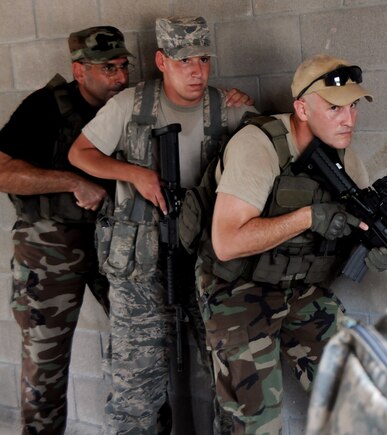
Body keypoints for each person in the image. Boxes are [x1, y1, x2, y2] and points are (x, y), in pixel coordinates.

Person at [67, 16, 255, 434]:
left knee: (234, 381)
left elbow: (268, 150)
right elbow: (80, 155)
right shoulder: (130, 104)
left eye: (203, 59)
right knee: (135, 389)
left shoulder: (227, 106)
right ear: (162, 61)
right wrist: (133, 174)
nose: (196, 70)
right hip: (140, 268)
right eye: (184, 59)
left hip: (208, 260)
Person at [194, 54, 387, 434]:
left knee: (359, 401)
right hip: (239, 290)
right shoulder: (259, 146)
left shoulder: (348, 161)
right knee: (257, 424)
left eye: (353, 106)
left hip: (300, 288)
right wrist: (308, 216)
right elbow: (226, 242)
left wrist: (372, 252)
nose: (348, 119)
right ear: (302, 108)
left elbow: (353, 236)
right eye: (334, 107)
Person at [0, 26, 132, 435]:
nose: (120, 76)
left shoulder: (130, 103)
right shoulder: (44, 107)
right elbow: (4, 173)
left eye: (124, 65)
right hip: (50, 247)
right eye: (107, 67)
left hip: (115, 241)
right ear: (79, 70)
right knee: (45, 363)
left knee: (142, 346)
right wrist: (73, 182)